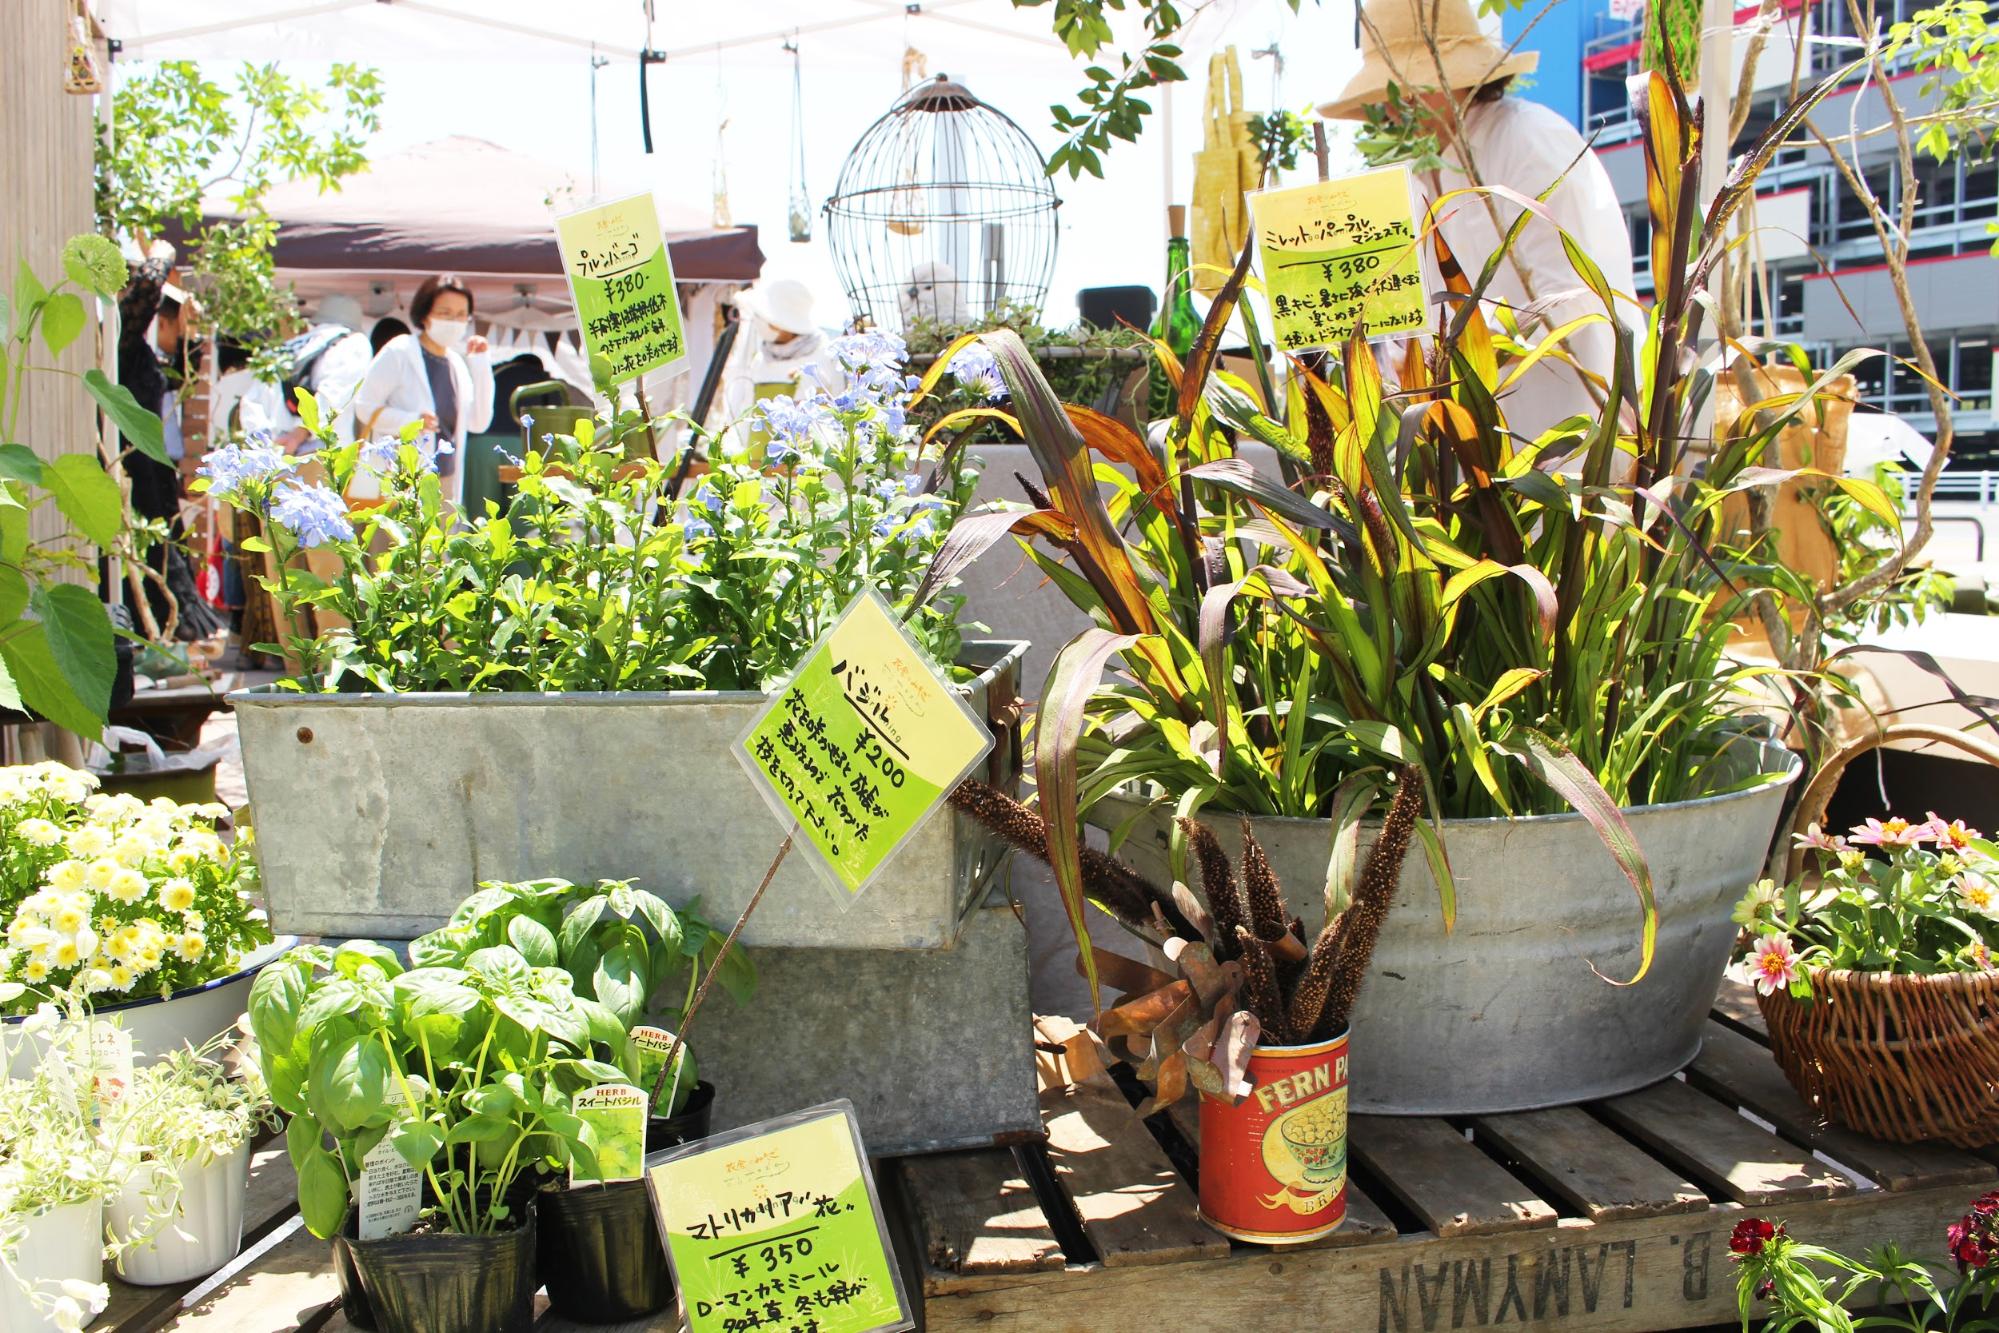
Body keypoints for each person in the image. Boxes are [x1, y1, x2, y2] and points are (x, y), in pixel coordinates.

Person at [1319, 0, 1639, 451]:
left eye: (1406, 92)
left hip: (1564, 427)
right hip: (1464, 440)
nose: (1390, 111)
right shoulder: (1414, 173)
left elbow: (1572, 297)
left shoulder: (1528, 139)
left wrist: (1458, 349)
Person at [115, 245, 223, 641]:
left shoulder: (136, 350)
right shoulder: (120, 340)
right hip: (133, 465)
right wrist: (163, 253)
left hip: (151, 466)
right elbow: (146, 287)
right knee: (151, 557)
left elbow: (185, 362)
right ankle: (159, 640)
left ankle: (164, 642)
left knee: (161, 553)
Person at [354, 275, 493, 503]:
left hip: (445, 481)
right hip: (398, 479)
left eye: (461, 315)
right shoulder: (399, 351)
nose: (453, 321)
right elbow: (364, 406)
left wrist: (481, 365)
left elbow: (478, 422)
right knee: (397, 538)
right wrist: (410, 420)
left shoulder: (456, 363)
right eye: (444, 313)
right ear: (425, 314)